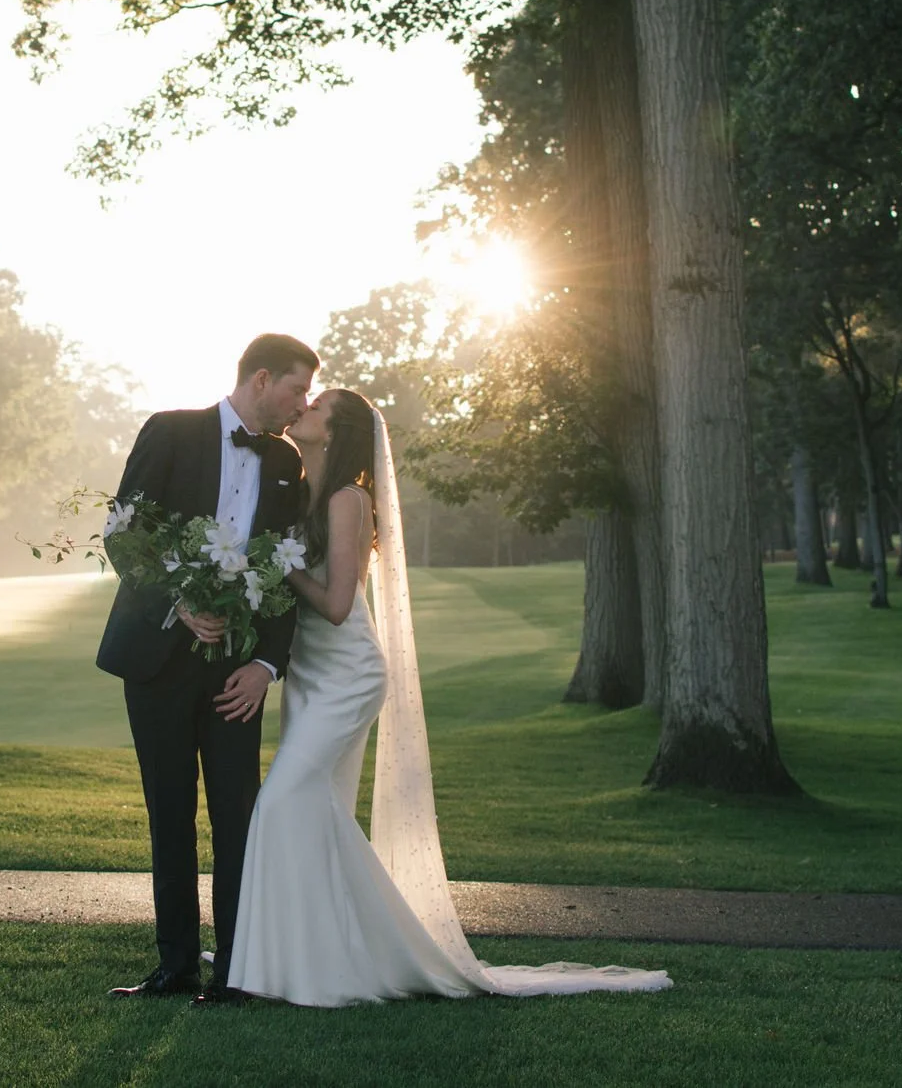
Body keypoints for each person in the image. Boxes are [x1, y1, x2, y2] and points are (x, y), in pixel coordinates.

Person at [221, 388, 671, 1006]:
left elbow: (335, 606)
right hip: (310, 678)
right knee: (312, 809)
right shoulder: (300, 494)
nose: (304, 409)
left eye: (318, 405)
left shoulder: (349, 500)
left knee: (280, 803)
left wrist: (278, 561)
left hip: (348, 675)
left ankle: (322, 959)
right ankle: (299, 958)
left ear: (339, 429)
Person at [97, 334, 317, 1005]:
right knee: (170, 811)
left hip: (233, 674)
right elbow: (122, 531)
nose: (301, 406)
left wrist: (264, 665)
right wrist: (180, 600)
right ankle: (175, 967)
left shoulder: (286, 463)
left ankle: (236, 971)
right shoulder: (169, 432)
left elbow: (283, 563)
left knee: (236, 813)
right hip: (157, 659)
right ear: (259, 379)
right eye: (295, 389)